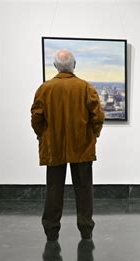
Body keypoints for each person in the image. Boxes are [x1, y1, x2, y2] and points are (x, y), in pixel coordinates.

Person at [31, 49, 105, 242]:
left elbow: (36, 118)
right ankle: (86, 230)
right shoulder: (85, 88)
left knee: (53, 189)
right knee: (84, 189)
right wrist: (93, 136)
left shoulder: (44, 89)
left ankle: (51, 231)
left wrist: (44, 137)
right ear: (74, 65)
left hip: (53, 147)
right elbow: (97, 117)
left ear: (55, 66)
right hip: (82, 147)